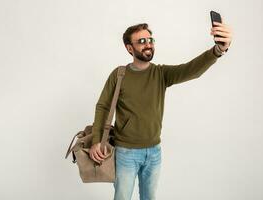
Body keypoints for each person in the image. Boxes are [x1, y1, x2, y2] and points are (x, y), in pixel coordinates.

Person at [89, 21, 232, 200]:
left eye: (150, 40)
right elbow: (103, 107)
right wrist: (96, 140)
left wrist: (217, 51)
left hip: (154, 151)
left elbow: (191, 70)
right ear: (129, 48)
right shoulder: (119, 75)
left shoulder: (160, 74)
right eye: (141, 41)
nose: (148, 44)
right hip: (125, 152)